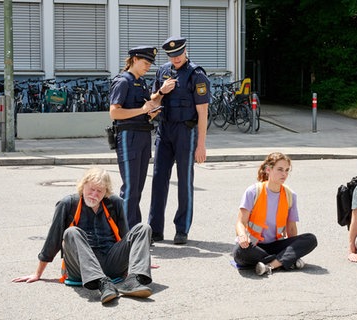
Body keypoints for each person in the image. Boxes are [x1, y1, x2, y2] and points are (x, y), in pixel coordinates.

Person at [12, 168, 154, 304]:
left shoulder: (114, 203)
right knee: (71, 232)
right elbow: (53, 239)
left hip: (111, 262)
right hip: (80, 267)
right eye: (91, 189)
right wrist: (37, 273)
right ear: (83, 186)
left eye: (99, 191)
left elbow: (126, 237)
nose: (94, 194)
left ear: (106, 192)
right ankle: (102, 283)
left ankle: (133, 282)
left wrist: (140, 259)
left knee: (143, 228)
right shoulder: (67, 204)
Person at [148, 36, 210, 245]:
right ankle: (155, 229)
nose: (175, 59)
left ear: (185, 51)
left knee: (184, 181)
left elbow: (203, 113)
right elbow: (153, 102)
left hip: (186, 131)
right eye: (171, 55)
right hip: (164, 130)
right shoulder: (163, 71)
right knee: (158, 180)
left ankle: (182, 229)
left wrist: (201, 145)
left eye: (178, 54)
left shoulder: (196, 75)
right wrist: (161, 91)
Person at [232, 152, 318, 276]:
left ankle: (270, 265)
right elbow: (240, 222)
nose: (284, 174)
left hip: (275, 245)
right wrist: (242, 236)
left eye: (287, 170)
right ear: (268, 169)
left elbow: (291, 228)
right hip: (254, 246)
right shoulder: (253, 191)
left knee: (310, 239)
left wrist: (294, 247)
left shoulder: (290, 195)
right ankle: (284, 260)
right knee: (240, 251)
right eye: (280, 169)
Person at [109, 46, 162, 230]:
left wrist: (151, 112)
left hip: (142, 135)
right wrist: (141, 110)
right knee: (130, 189)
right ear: (134, 59)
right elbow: (114, 113)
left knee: (137, 189)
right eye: (146, 63)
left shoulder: (141, 83)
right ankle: (125, 233)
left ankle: (134, 229)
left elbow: (143, 111)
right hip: (128, 137)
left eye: (150, 64)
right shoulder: (123, 82)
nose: (148, 67)